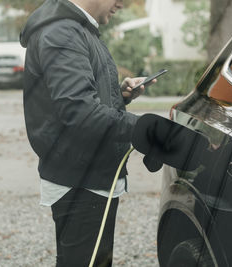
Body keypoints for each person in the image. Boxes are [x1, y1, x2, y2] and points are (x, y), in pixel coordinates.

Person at [20, 0, 151, 266]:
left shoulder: (77, 29)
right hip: (82, 182)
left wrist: (120, 95)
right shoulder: (62, 32)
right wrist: (148, 129)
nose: (124, 4)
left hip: (90, 178)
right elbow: (79, 113)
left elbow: (77, 103)